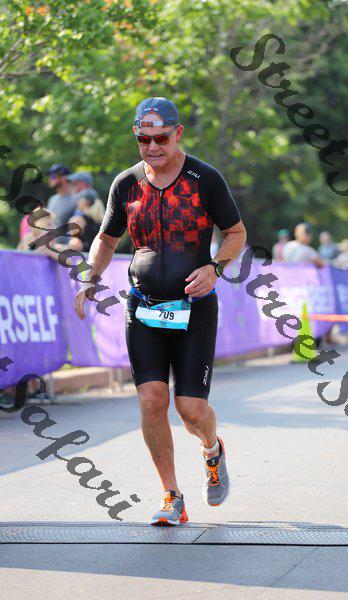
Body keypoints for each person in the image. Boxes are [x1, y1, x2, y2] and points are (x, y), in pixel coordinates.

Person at [74, 97, 246, 525]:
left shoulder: (205, 179)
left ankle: (212, 450)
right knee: (152, 400)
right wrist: (89, 278)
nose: (152, 146)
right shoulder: (126, 184)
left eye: (161, 138)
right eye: (143, 139)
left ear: (178, 134)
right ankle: (172, 494)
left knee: (190, 409)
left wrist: (215, 268)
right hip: (144, 306)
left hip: (194, 308)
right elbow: (106, 239)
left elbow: (236, 233)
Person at [46, 164, 77, 233]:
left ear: (63, 178)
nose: (50, 179)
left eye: (53, 176)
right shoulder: (52, 199)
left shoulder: (76, 199)